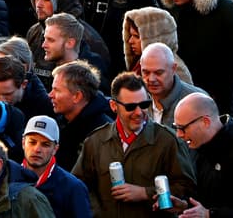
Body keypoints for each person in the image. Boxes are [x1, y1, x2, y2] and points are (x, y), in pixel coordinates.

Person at [71, 71, 196, 218]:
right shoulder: (96, 141)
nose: (138, 112)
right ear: (113, 106)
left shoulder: (167, 141)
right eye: (130, 107)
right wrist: (97, 212)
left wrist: (145, 193)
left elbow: (186, 188)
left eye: (144, 105)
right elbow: (79, 187)